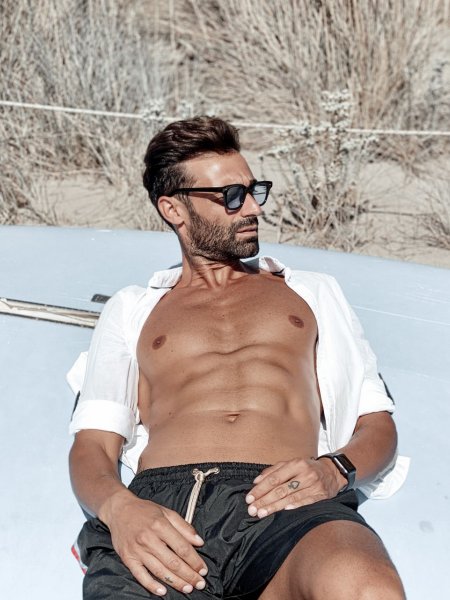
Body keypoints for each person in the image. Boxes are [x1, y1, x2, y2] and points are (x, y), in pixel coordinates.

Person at [69, 116, 406, 599]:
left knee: (366, 588)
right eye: (230, 196)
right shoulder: (133, 309)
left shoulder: (311, 293)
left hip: (288, 505)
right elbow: (92, 447)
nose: (252, 208)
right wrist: (119, 510)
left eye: (253, 190)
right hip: (162, 511)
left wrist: (335, 470)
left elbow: (377, 426)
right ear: (173, 209)